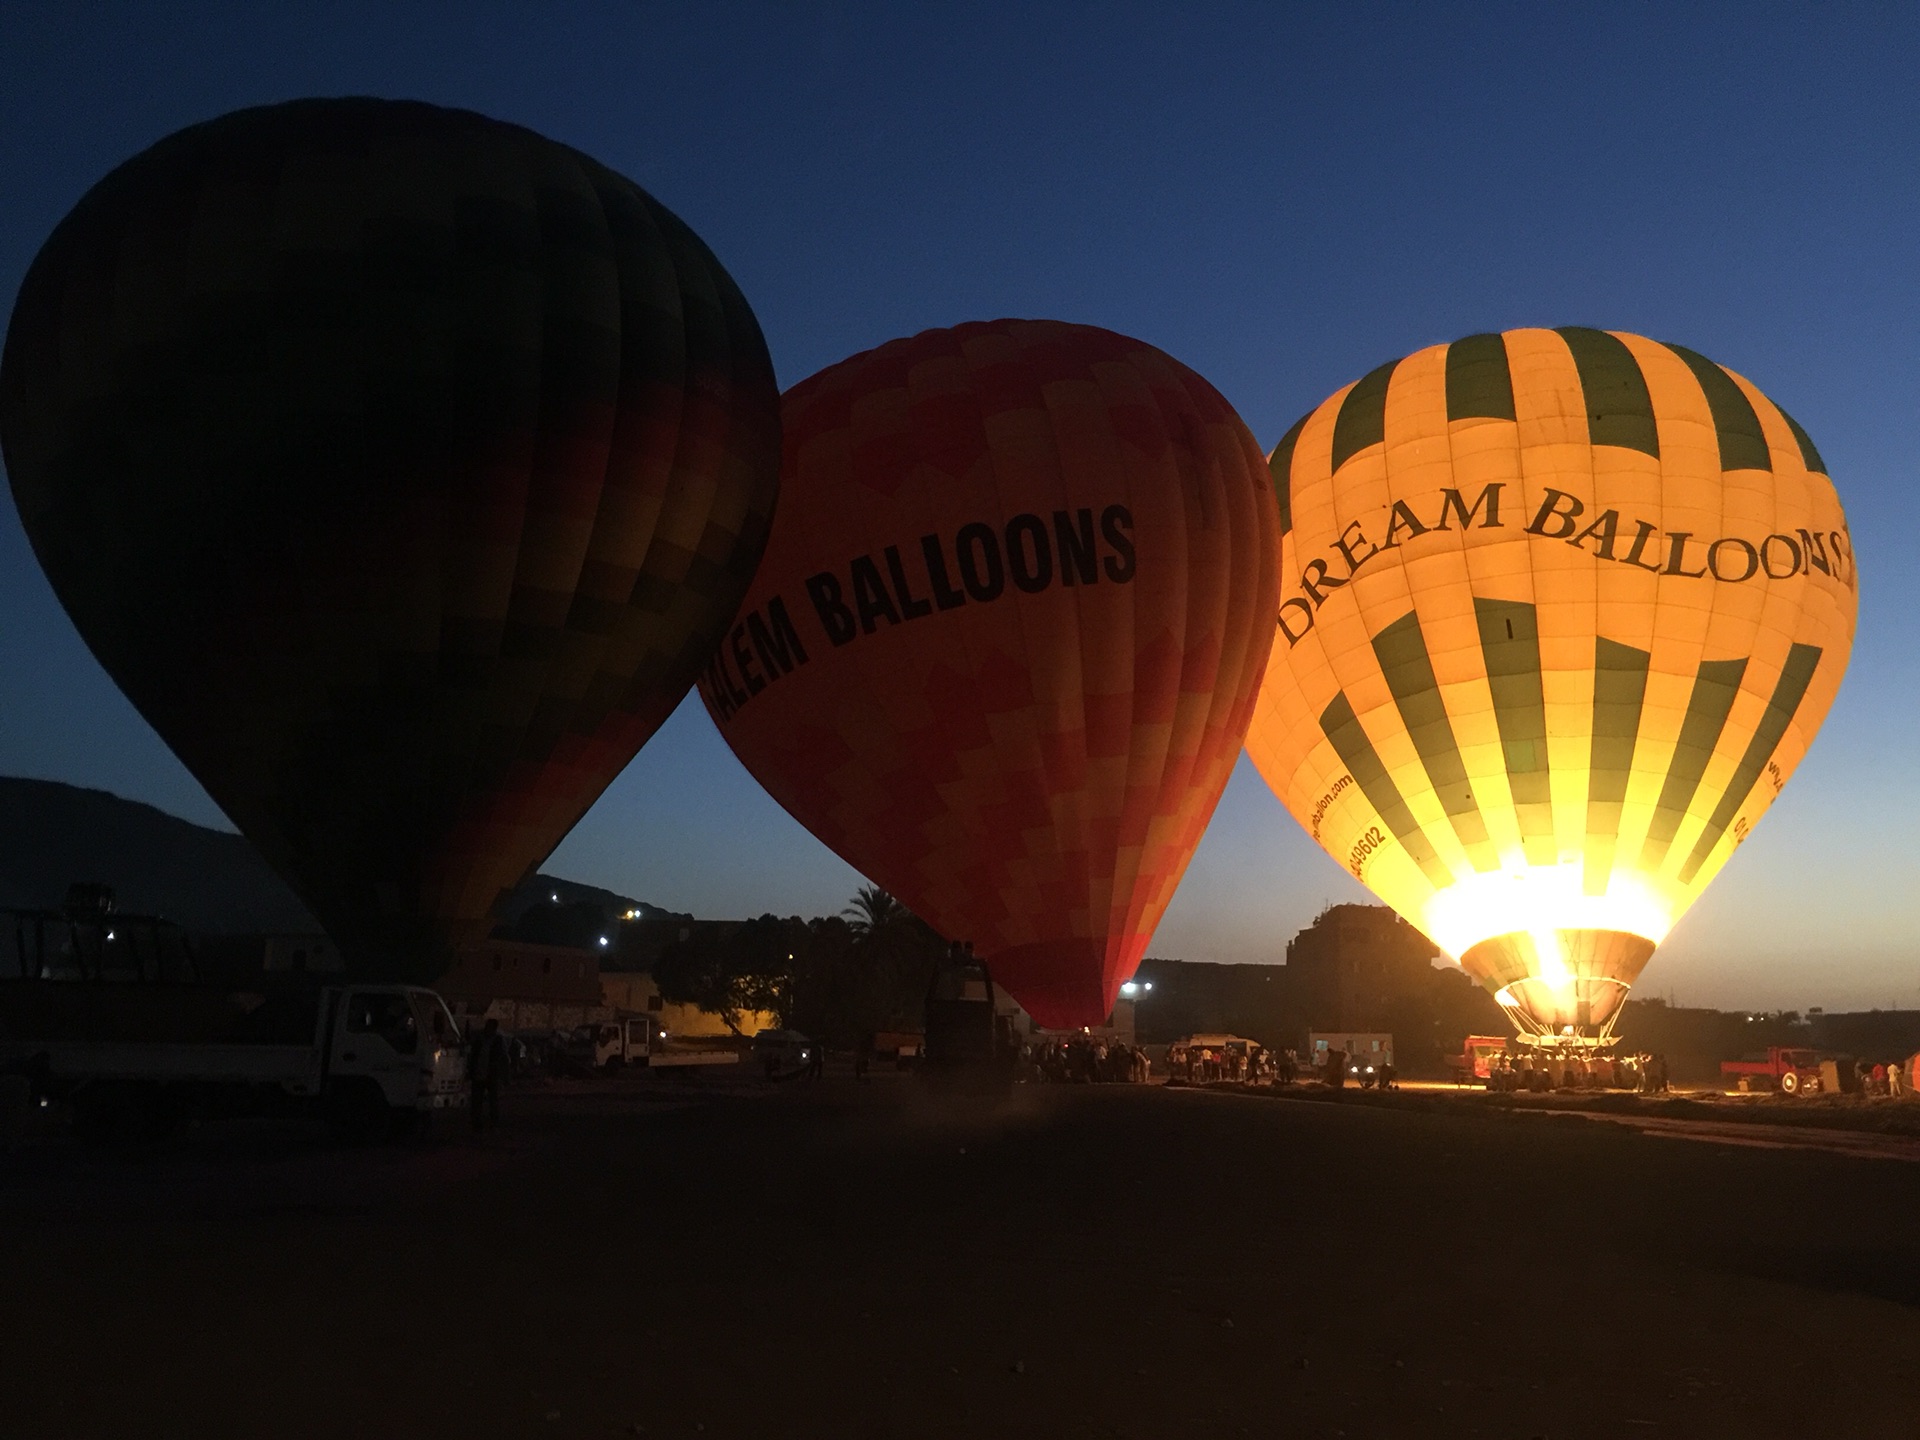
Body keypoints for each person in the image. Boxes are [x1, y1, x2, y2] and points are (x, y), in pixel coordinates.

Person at [468, 1018, 509, 1132]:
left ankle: (493, 1122)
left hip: (491, 1074)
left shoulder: (497, 1040)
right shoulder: (481, 1039)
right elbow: (473, 1056)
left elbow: (503, 1058)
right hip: (480, 1072)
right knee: (478, 1100)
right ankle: (477, 1122)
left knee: (492, 1100)